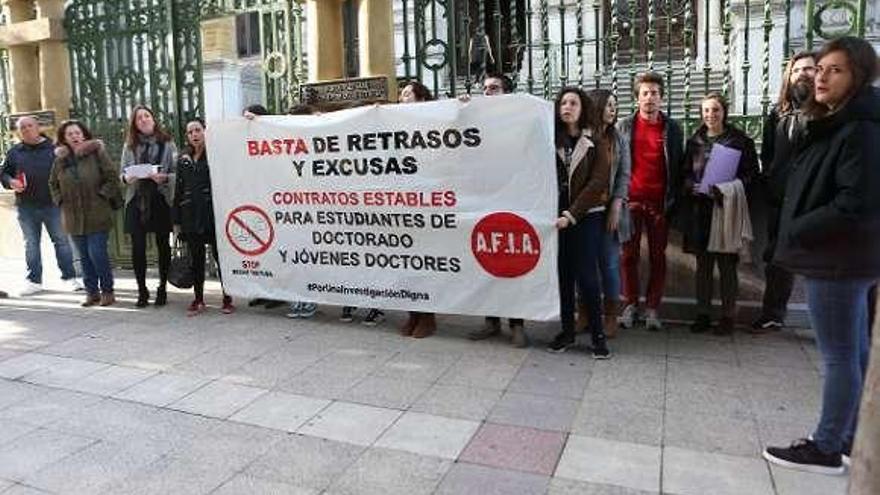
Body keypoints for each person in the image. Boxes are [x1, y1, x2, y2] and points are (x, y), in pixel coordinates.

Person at [763, 37, 880, 475]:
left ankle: (827, 446)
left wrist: (801, 228)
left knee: (838, 355)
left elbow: (856, 201)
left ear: (859, 77)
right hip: (842, 256)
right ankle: (851, 436)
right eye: (820, 68)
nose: (821, 77)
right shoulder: (839, 121)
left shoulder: (860, 128)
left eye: (836, 70)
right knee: (854, 351)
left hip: (837, 258)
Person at [679, 93, 759, 335]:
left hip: (726, 209)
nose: (710, 115)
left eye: (715, 110)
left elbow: (751, 176)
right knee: (703, 265)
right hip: (700, 210)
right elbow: (683, 174)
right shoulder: (694, 141)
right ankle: (702, 314)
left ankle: (727, 316)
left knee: (727, 265)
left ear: (724, 112)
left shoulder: (739, 141)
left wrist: (727, 189)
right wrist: (688, 185)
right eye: (706, 111)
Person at [752, 51, 816, 333]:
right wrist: (771, 179)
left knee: (819, 263)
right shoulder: (779, 113)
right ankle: (772, 314)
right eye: (797, 69)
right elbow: (767, 153)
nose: (802, 73)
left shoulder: (827, 113)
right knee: (777, 259)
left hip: (814, 200)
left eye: (809, 69)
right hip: (781, 198)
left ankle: (823, 322)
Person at [616, 72, 684, 331]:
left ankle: (653, 308)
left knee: (658, 257)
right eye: (645, 93)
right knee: (627, 256)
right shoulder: (624, 126)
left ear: (662, 97)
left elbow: (678, 164)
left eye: (654, 92)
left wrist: (674, 198)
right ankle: (630, 305)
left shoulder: (673, 129)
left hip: (659, 204)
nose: (649, 98)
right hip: (630, 202)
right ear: (637, 98)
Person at [546, 87, 611, 358]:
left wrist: (571, 214)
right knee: (563, 276)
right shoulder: (550, 140)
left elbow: (597, 183)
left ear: (582, 108)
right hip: (555, 220)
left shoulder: (596, 141)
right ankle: (567, 331)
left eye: (573, 103)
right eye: (563, 103)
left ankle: (598, 336)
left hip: (586, 217)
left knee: (587, 277)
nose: (567, 107)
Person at [466, 73, 528, 347]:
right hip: (483, 201)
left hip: (514, 202)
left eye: (495, 88)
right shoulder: (475, 119)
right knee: (484, 262)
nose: (489, 93)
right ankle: (491, 321)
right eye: (486, 89)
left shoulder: (521, 120)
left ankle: (516, 323)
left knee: (512, 264)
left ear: (508, 92)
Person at [1, 115, 80, 295]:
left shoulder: (54, 149)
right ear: (19, 132)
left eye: (30, 126)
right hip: (26, 206)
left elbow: (69, 172)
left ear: (38, 127)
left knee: (61, 242)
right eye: (22, 128)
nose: (26, 130)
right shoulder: (15, 152)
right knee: (31, 244)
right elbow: (4, 174)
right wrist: (11, 181)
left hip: (52, 204)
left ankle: (69, 278)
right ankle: (34, 281)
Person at [49, 120, 121, 307]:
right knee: (83, 256)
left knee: (97, 253)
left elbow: (112, 177)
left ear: (84, 135)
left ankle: (107, 291)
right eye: (70, 134)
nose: (74, 137)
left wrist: (102, 195)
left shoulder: (96, 153)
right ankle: (91, 292)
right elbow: (52, 184)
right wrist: (60, 200)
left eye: (77, 133)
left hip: (96, 212)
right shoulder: (60, 160)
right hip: (72, 216)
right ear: (64, 138)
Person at [173, 118, 234, 316]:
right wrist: (176, 221)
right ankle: (198, 299)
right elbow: (179, 190)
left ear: (205, 132)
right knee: (196, 259)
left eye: (197, 130)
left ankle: (227, 298)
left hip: (213, 214)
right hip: (190, 216)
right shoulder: (183, 159)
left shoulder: (216, 155)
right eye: (190, 132)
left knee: (220, 257)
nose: (194, 135)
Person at [121, 105, 177, 307]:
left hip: (160, 198)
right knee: (138, 247)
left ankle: (162, 287)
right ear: (134, 124)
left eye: (146, 116)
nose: (143, 120)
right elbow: (122, 175)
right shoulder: (129, 146)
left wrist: (164, 178)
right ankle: (142, 290)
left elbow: (176, 173)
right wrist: (128, 177)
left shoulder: (167, 143)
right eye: (138, 118)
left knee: (163, 245)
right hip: (136, 199)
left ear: (153, 119)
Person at [586, 89, 631, 339]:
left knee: (610, 265)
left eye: (615, 105)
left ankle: (610, 316)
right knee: (585, 265)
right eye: (608, 105)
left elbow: (624, 174)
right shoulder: (583, 136)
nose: (613, 109)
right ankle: (584, 312)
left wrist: (617, 203)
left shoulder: (619, 138)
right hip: (583, 211)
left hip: (608, 211)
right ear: (596, 106)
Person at [397, 80, 439, 338]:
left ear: (422, 99)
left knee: (424, 262)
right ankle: (412, 314)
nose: (402, 98)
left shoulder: (434, 120)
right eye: (400, 95)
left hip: (426, 202)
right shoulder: (392, 121)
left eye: (407, 94)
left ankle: (428, 317)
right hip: (401, 202)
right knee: (405, 263)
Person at [242, 104, 286, 310]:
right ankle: (262, 290)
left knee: (275, 249)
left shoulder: (273, 136)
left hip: (274, 202)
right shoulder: (244, 139)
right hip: (254, 200)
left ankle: (278, 293)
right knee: (259, 250)